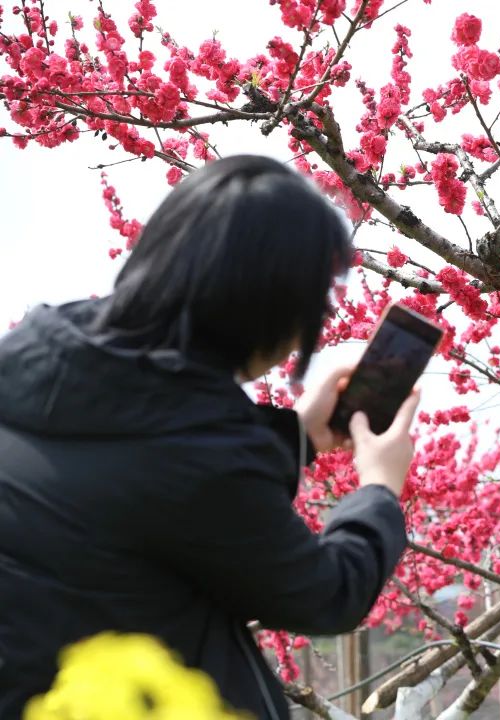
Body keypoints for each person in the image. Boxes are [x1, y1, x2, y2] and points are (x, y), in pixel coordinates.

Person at [0, 155, 419, 720]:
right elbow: (327, 594)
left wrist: (296, 436)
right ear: (265, 310)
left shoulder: (37, 356)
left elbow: (160, 480)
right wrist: (378, 490)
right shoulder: (199, 458)